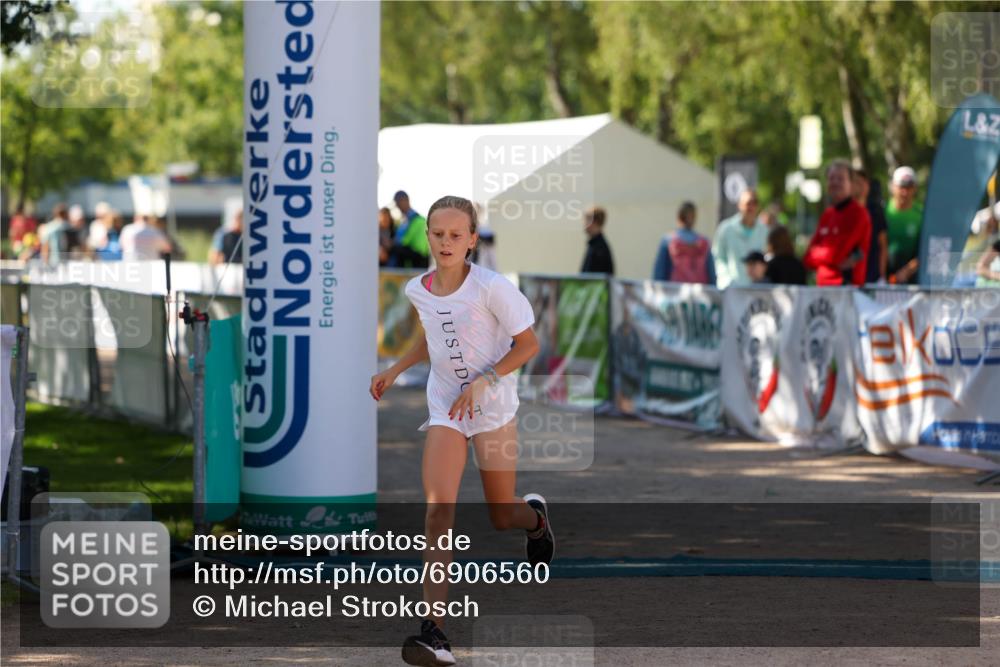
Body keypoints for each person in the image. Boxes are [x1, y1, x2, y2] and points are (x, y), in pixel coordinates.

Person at [369, 195, 552, 667]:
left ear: (472, 239)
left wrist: (484, 380)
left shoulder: (493, 288)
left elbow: (528, 344)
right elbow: (431, 338)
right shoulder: (419, 288)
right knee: (437, 510)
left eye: (456, 234)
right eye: (437, 233)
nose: (445, 242)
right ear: (426, 235)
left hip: (492, 408)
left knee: (500, 515)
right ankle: (435, 632)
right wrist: (393, 370)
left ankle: (534, 520)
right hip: (446, 407)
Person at [803, 160, 872, 287]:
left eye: (840, 179)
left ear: (851, 184)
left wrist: (819, 255)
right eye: (831, 178)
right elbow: (807, 257)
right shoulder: (827, 215)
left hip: (847, 289)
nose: (835, 182)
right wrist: (828, 258)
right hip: (823, 289)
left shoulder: (858, 214)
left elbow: (836, 253)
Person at [712, 189, 768, 288]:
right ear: (740, 205)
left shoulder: (764, 230)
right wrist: (726, 280)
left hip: (756, 289)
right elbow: (718, 257)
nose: (751, 207)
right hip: (730, 288)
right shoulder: (726, 228)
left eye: (754, 203)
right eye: (748, 203)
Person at [652, 201, 716, 284]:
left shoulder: (668, 240)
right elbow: (711, 274)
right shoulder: (704, 243)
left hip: (674, 292)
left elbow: (659, 274)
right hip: (700, 293)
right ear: (694, 218)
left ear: (678, 217)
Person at [885, 166, 923, 284]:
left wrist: (907, 271)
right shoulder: (883, 212)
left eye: (909, 187)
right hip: (884, 277)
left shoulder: (921, 214)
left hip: (911, 278)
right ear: (893, 187)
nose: (905, 192)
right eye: (901, 187)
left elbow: (925, 249)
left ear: (915, 189)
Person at [853, 169, 888, 283]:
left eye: (863, 183)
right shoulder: (845, 213)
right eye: (856, 183)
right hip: (851, 278)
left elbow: (883, 245)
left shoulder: (876, 212)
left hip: (873, 277)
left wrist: (882, 275)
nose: (860, 187)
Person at [391, 190, 430, 268]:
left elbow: (404, 241)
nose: (397, 206)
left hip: (417, 260)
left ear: (406, 200)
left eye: (398, 202)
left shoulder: (416, 220)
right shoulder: (407, 220)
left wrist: (391, 244)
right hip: (417, 259)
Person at [580, 205, 615, 275]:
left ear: (595, 222)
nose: (584, 223)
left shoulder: (600, 248)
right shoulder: (594, 244)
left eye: (587, 220)